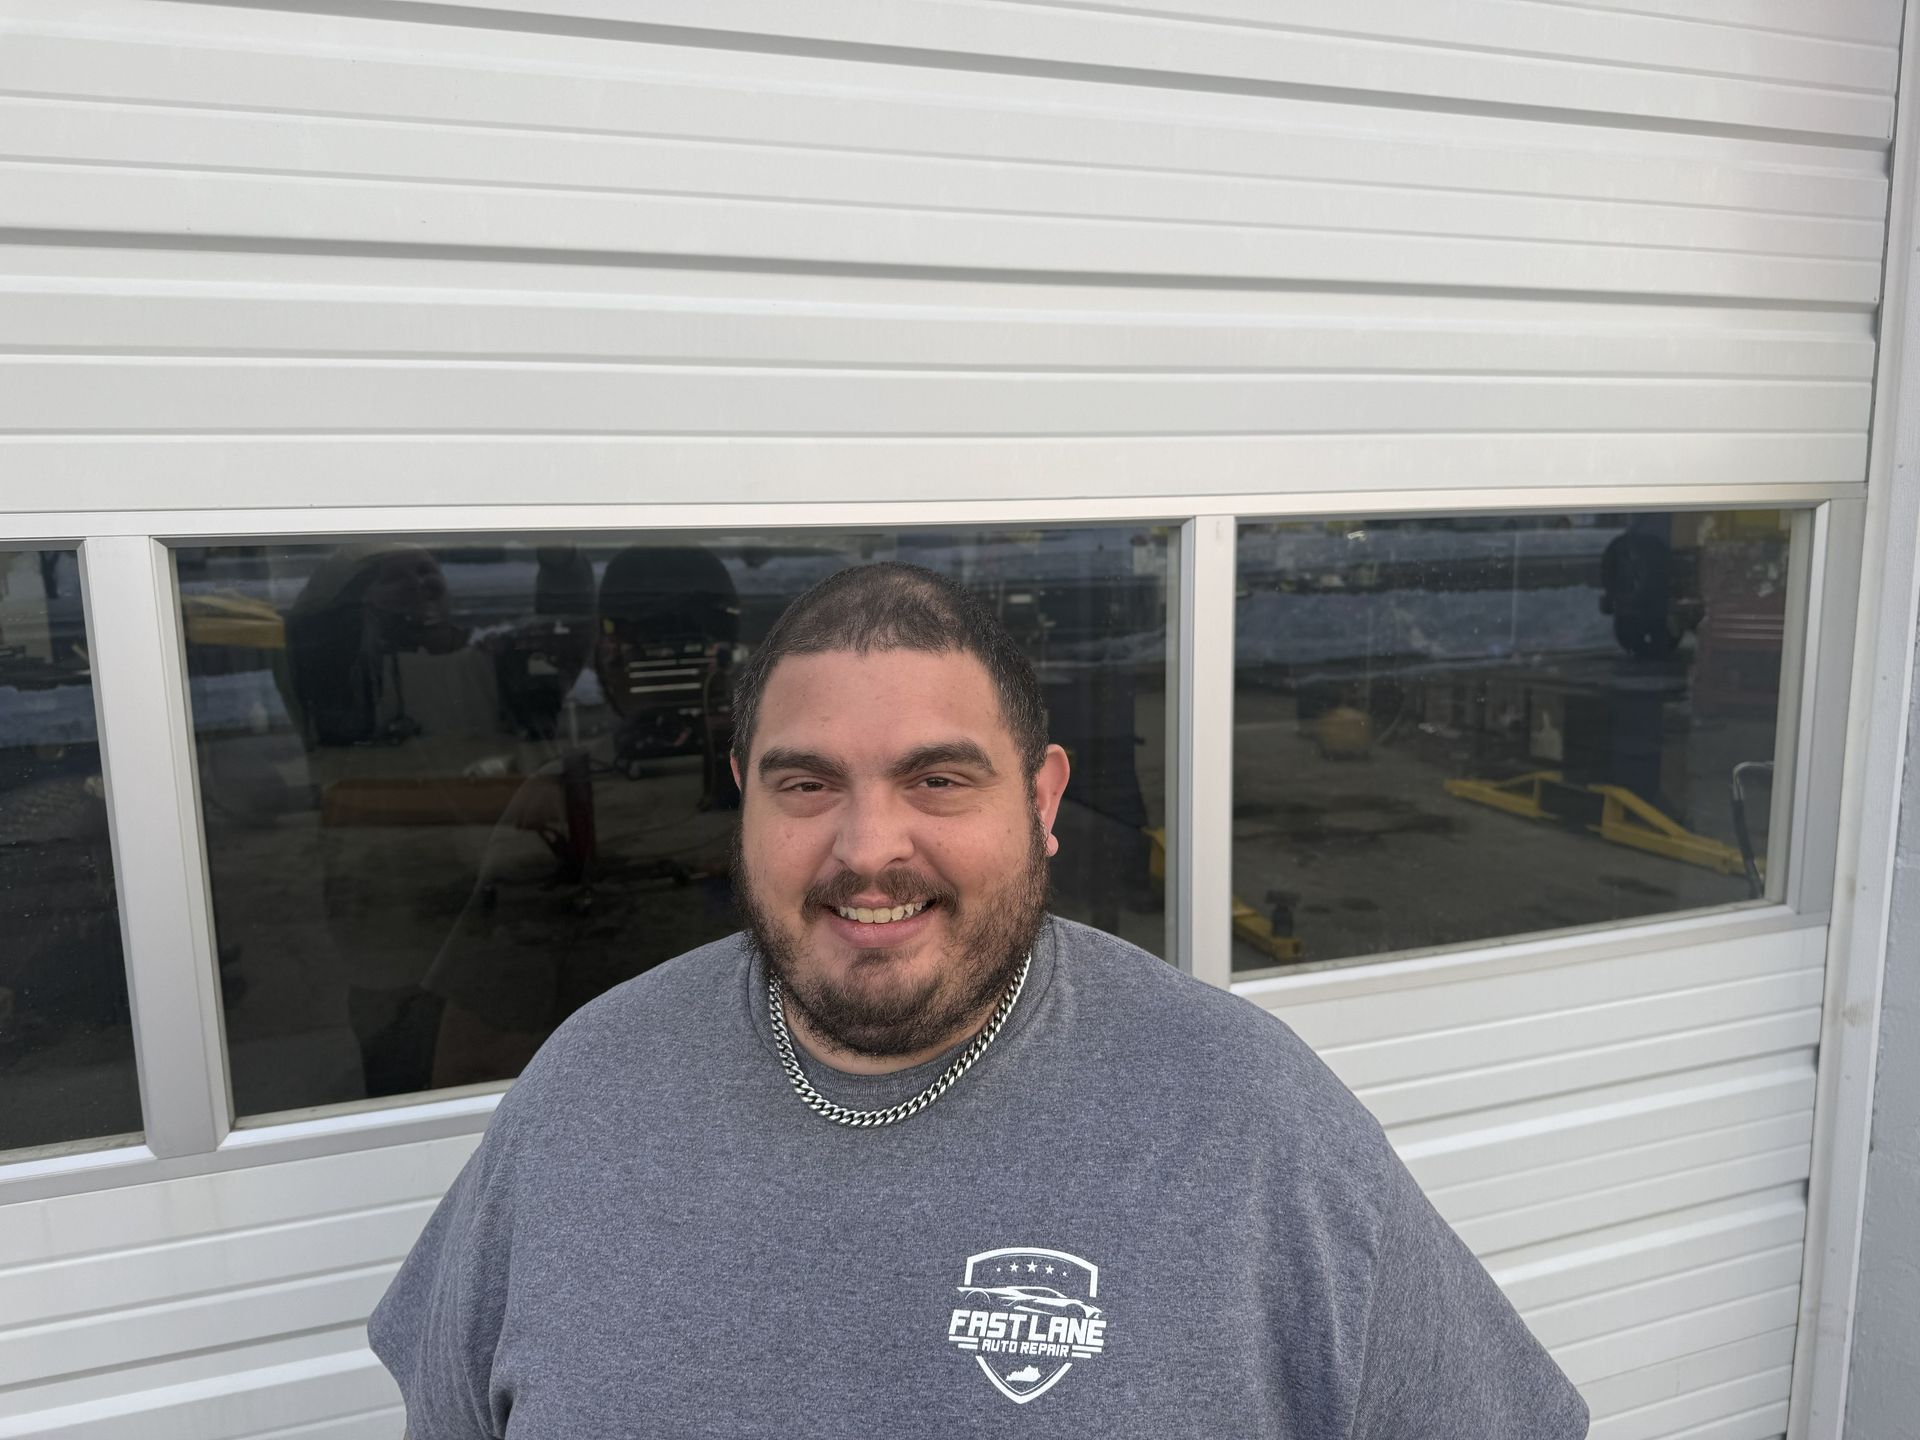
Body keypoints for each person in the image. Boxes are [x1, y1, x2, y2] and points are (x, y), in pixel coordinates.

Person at [369, 562, 1590, 1438]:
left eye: (938, 780)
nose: (867, 848)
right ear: (742, 790)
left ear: (1044, 799)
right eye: (806, 784)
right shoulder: (587, 1090)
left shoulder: (1249, 1121)